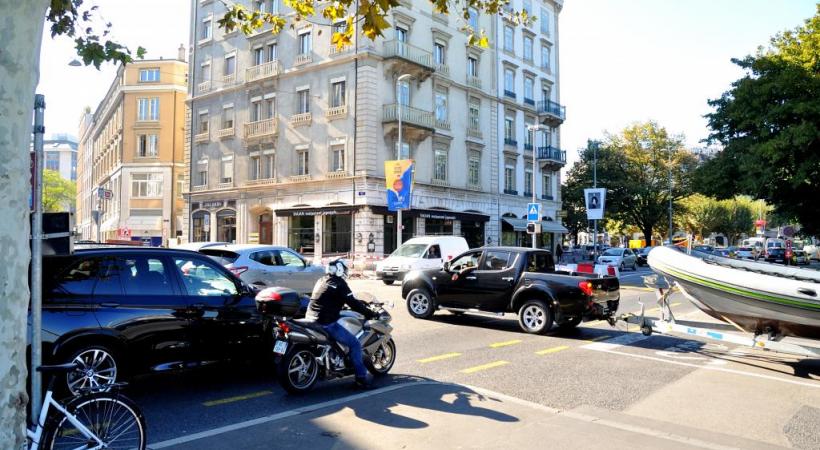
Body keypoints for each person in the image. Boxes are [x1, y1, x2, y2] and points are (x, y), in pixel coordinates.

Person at [307, 259, 376, 388]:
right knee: (355, 344)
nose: (346, 271)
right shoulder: (340, 284)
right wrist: (370, 313)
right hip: (326, 323)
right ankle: (361, 378)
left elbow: (326, 299)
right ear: (339, 269)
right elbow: (353, 303)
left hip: (311, 318)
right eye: (344, 269)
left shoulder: (322, 280)